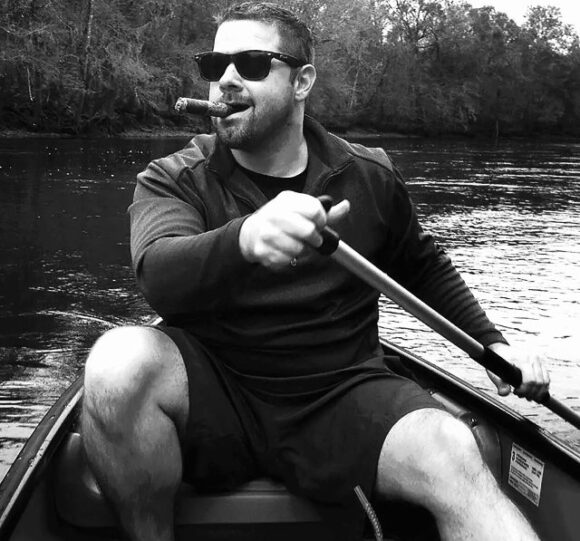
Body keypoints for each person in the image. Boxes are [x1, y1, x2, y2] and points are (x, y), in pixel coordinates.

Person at [81, 2, 550, 540]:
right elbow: (158, 274)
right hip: (216, 390)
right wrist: (244, 240)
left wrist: (494, 345)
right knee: (117, 363)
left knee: (451, 449)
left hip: (343, 392)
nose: (226, 79)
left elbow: (422, 267)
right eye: (214, 65)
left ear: (302, 81)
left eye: (252, 63)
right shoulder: (172, 178)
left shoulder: (369, 175)